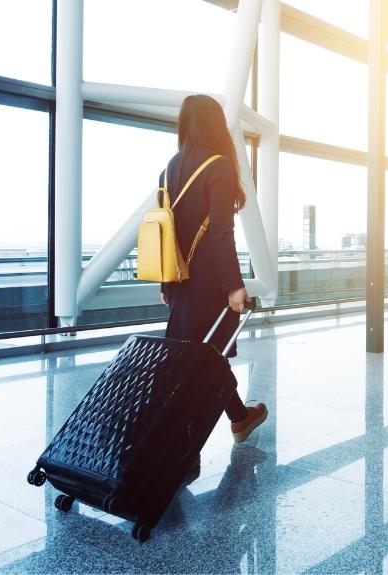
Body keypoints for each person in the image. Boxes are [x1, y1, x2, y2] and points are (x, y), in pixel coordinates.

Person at [159, 94, 268, 444]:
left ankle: (238, 418)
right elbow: (221, 233)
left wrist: (166, 283)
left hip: (178, 281)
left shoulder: (169, 169)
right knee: (208, 358)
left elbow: (166, 232)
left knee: (198, 358)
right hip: (209, 283)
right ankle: (189, 441)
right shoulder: (218, 165)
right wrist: (235, 285)